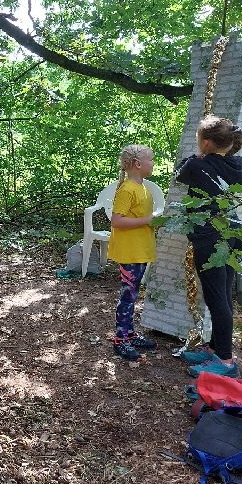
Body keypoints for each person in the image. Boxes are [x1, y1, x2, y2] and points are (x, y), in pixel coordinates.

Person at [175, 116, 242, 378]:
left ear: (206, 143)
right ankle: (216, 349)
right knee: (223, 294)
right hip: (232, 230)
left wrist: (195, 155)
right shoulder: (238, 164)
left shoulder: (197, 164)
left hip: (210, 235)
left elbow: (179, 175)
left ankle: (226, 362)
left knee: (216, 298)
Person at [107, 144, 159, 362]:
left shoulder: (144, 188)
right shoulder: (127, 189)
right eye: (151, 159)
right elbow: (116, 221)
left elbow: (139, 218)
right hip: (129, 252)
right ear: (138, 164)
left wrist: (154, 222)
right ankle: (121, 340)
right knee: (128, 297)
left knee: (133, 294)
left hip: (141, 249)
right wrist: (148, 220)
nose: (154, 163)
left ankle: (129, 334)